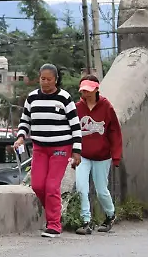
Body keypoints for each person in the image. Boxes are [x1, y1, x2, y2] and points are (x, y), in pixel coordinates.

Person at [14, 64, 82, 238]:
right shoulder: (32, 98)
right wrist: (21, 136)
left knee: (52, 186)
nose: (45, 82)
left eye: (49, 79)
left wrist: (76, 151)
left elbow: (75, 126)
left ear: (56, 80)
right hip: (40, 147)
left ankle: (54, 224)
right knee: (37, 185)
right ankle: (55, 214)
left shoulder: (64, 98)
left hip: (60, 147)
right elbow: (25, 120)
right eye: (42, 79)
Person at [73, 74, 123, 235]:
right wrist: (72, 152)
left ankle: (110, 215)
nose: (85, 94)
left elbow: (114, 131)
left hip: (102, 156)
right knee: (82, 187)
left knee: (101, 190)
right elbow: (71, 131)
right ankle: (86, 221)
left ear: (96, 89)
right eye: (83, 91)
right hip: (83, 155)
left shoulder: (106, 106)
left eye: (88, 90)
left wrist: (116, 156)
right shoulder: (77, 108)